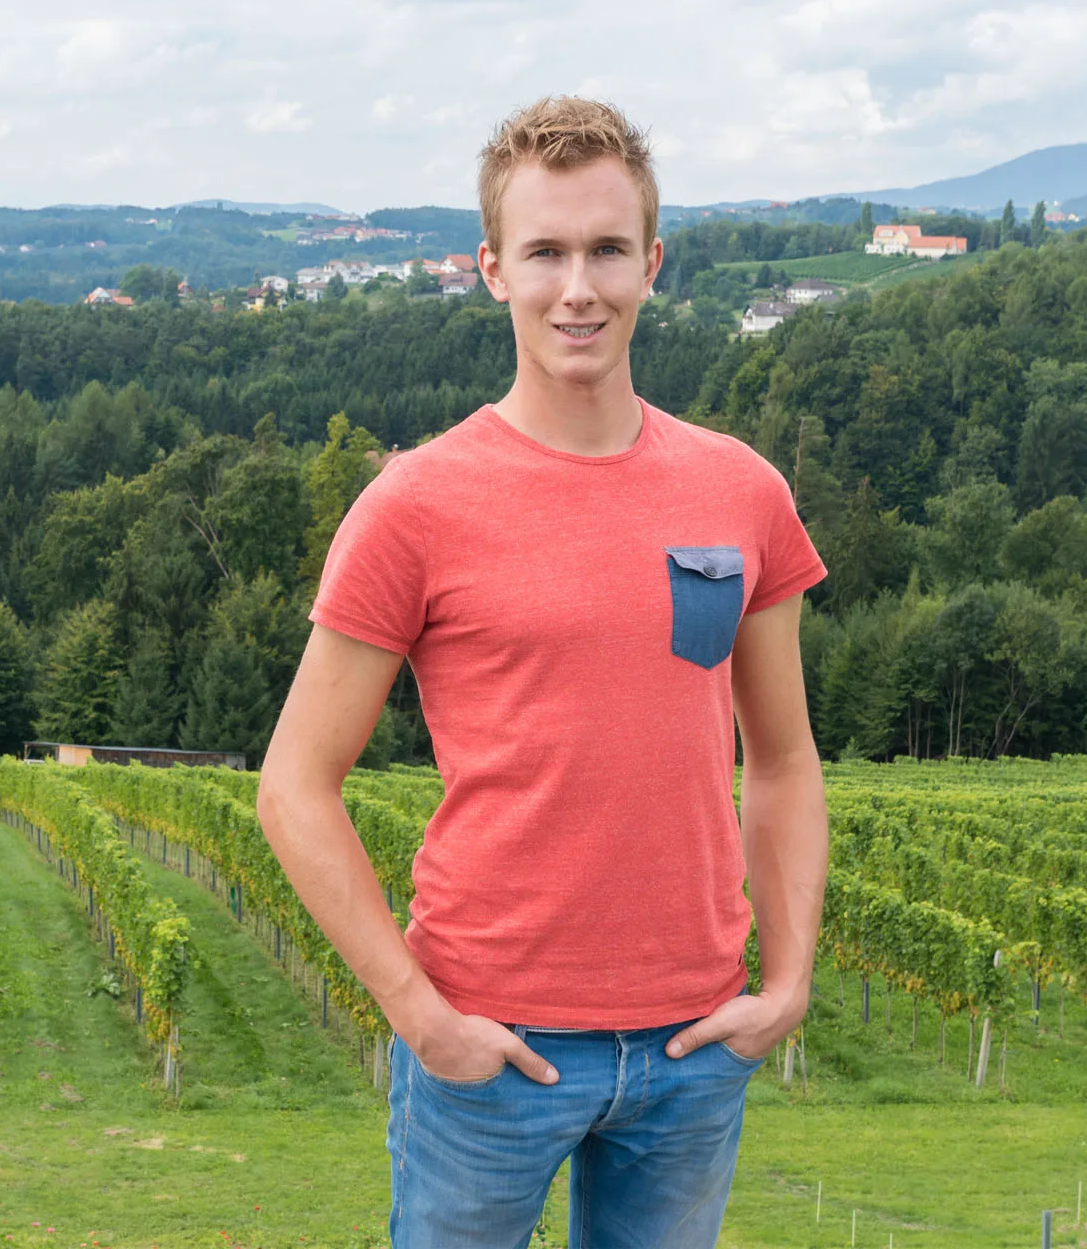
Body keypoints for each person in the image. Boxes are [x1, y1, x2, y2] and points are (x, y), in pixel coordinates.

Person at [255, 95, 830, 1248]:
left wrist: (791, 977)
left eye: (608, 249)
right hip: (491, 1047)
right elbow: (292, 786)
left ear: (653, 264)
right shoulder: (413, 505)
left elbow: (783, 756)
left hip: (693, 1045)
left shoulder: (742, 491)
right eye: (547, 253)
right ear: (491, 270)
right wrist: (420, 1015)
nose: (580, 286)